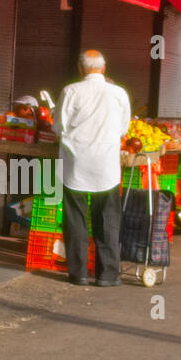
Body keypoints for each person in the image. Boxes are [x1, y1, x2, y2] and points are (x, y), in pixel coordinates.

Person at [57, 49, 130, 286]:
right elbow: (122, 129)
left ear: (80, 69)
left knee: (75, 219)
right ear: (104, 68)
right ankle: (107, 275)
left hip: (76, 164)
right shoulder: (118, 94)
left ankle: (78, 274)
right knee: (108, 219)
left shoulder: (70, 92)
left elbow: (59, 127)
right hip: (106, 166)